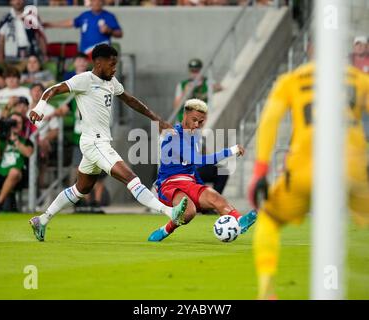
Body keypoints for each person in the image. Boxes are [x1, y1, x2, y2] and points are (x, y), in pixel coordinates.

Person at [28, 44, 188, 241]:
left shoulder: (111, 81)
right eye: (111, 65)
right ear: (98, 63)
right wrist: (40, 107)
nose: (114, 69)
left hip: (98, 143)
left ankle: (42, 220)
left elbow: (131, 100)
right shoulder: (85, 79)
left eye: (116, 65)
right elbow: (53, 89)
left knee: (81, 189)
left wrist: (158, 120)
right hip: (95, 143)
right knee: (131, 178)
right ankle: (170, 212)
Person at [248, 58, 369, 299]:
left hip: (306, 170)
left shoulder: (292, 79)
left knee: (269, 220)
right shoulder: (358, 79)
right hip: (351, 168)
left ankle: (266, 289)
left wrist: (260, 171)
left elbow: (270, 119)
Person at [147, 98, 257, 242]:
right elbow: (198, 160)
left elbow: (193, 168)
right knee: (189, 212)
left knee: (216, 198)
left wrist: (200, 186)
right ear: (184, 116)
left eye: (201, 122)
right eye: (194, 120)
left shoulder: (195, 136)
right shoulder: (173, 135)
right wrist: (231, 150)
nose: (197, 125)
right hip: (169, 184)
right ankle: (165, 230)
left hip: (189, 182)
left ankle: (240, 221)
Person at [43, 0, 123, 57]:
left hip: (100, 55)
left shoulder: (109, 16)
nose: (97, 2)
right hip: (84, 55)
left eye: (99, 1)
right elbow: (70, 23)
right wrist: (50, 24)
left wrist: (109, 30)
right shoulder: (85, 15)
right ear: (90, 2)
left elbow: (119, 33)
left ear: (102, 2)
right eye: (94, 0)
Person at [0, 112, 33, 212]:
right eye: (13, 122)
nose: (15, 125)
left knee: (14, 172)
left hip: (17, 175)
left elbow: (28, 153)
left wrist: (15, 140)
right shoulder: (1, 139)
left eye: (18, 123)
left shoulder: (25, 141)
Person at [0, 0, 47, 65]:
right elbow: (1, 40)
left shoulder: (31, 17)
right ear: (10, 2)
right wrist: (0, 60)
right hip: (10, 57)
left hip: (30, 56)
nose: (17, 1)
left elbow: (40, 36)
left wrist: (44, 54)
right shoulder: (6, 19)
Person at [174, 58, 222, 123]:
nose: (194, 74)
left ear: (201, 71)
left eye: (197, 71)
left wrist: (216, 87)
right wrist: (184, 93)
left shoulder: (208, 83)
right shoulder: (182, 85)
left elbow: (222, 89)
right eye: (192, 71)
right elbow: (176, 107)